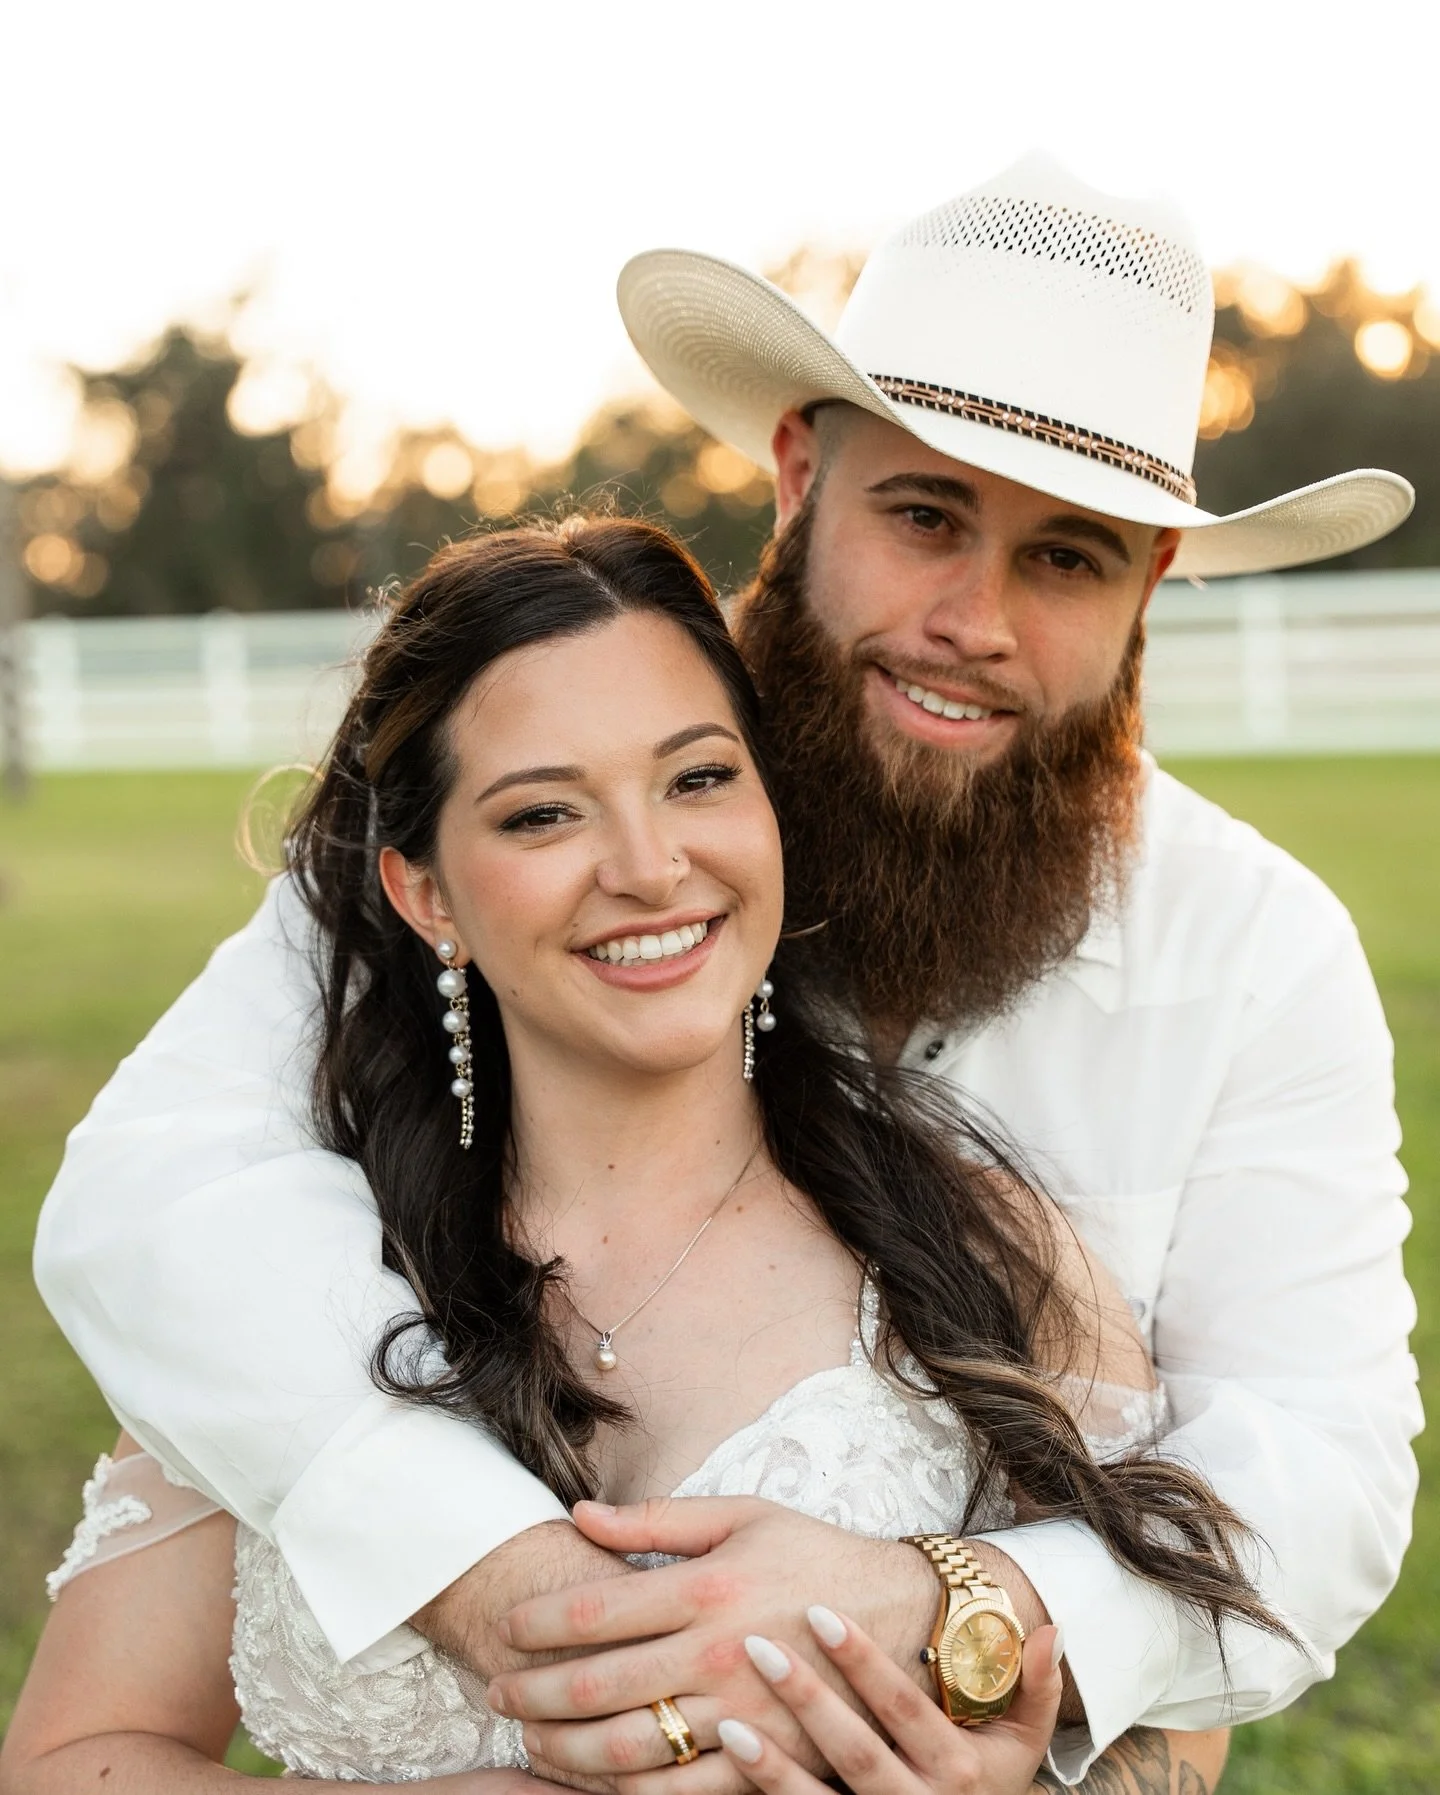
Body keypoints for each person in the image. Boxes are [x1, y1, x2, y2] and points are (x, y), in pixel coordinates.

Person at [30, 158, 1421, 1787]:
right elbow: (154, 1189)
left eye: (1068, 558)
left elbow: (1308, 1490)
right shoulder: (522, 814)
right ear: (795, 476)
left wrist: (967, 1623)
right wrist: (491, 1576)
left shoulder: (1254, 952)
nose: (972, 618)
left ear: (1146, 595)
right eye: (923, 518)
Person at [2, 518, 1248, 1794]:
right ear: (428, 894)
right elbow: (71, 1758)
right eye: (544, 813)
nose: (651, 868)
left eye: (698, 778)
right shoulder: (285, 1280)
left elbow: (1171, 1728)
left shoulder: (985, 1260)